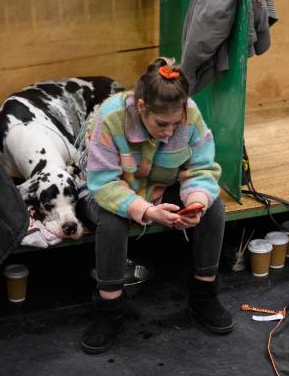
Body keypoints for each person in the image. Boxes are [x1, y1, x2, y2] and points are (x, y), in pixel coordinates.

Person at [78, 57, 231, 354]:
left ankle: (204, 295)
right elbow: (103, 183)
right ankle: (109, 310)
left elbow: (202, 169)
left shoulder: (190, 115)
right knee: (111, 221)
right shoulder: (111, 118)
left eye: (177, 124)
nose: (170, 132)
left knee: (214, 208)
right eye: (162, 124)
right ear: (142, 107)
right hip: (110, 192)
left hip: (160, 189)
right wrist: (146, 211)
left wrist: (195, 203)